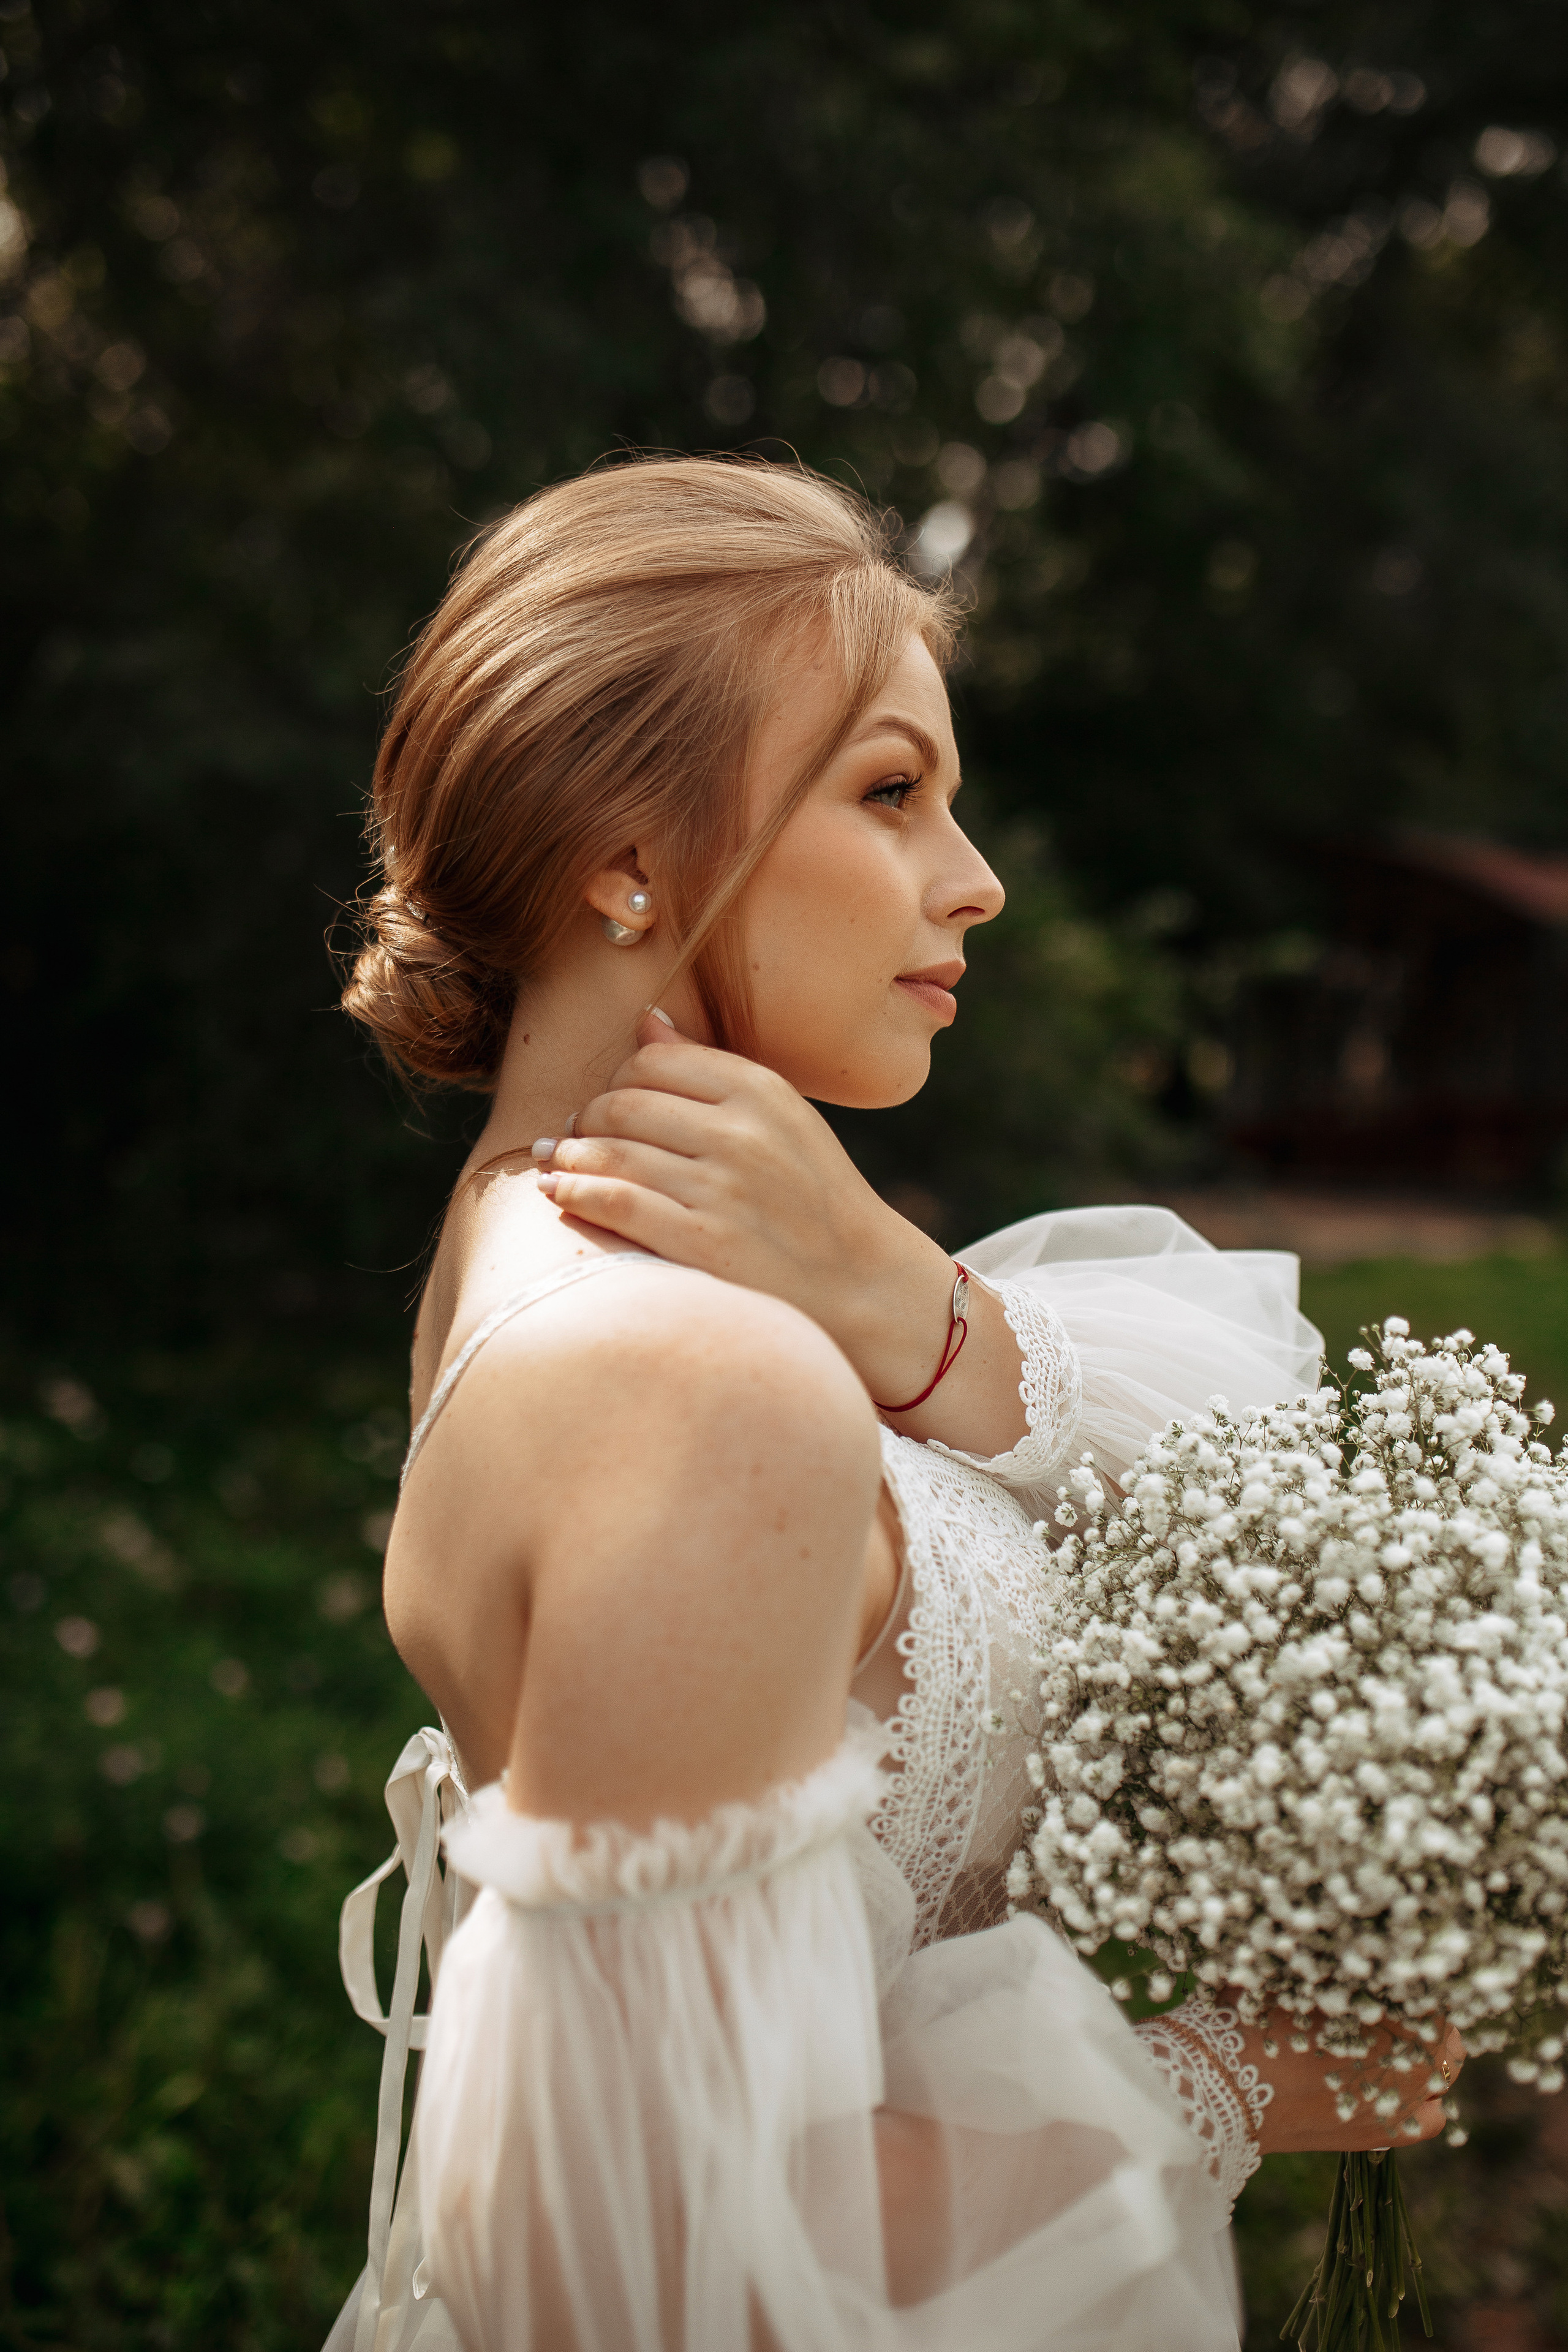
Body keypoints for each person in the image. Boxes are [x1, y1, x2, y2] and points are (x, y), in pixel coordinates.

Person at [324, 457, 1461, 2352]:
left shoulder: (558, 1255)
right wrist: (1234, 2077)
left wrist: (905, 1303)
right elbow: (621, 2273)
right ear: (626, 855)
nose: (978, 876)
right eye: (889, 790)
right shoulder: (688, 1380)